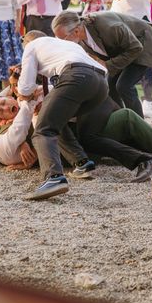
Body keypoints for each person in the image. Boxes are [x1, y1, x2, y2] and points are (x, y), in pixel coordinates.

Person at [16, 30, 108, 200]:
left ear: (27, 42)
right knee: (56, 119)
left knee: (43, 130)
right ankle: (81, 163)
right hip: (101, 83)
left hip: (77, 76)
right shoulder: (65, 45)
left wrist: (22, 94)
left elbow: (25, 88)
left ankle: (53, 178)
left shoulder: (32, 46)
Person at [52, 10, 152, 118]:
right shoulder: (80, 36)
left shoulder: (109, 28)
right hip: (123, 50)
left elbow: (135, 48)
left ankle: (140, 126)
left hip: (143, 44)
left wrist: (107, 65)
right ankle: (124, 120)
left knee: (124, 85)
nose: (63, 43)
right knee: (109, 86)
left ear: (76, 31)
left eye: (63, 39)